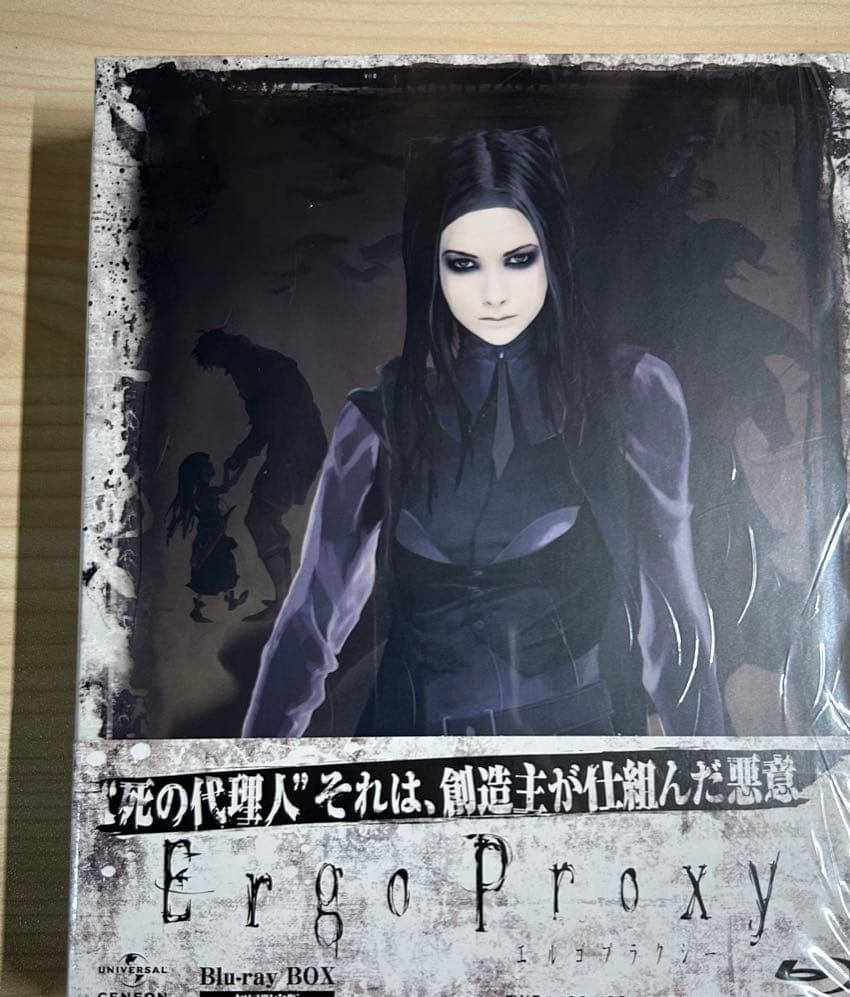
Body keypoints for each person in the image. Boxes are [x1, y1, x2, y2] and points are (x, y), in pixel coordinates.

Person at [243, 126, 725, 738]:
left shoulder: (631, 393)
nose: (494, 293)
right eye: (463, 264)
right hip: (413, 760)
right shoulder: (376, 422)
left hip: (577, 758)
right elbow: (307, 631)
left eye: (519, 259)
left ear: (553, 251)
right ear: (433, 267)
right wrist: (245, 776)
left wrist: (714, 776)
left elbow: (675, 624)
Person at [193, 330, 328, 621]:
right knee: (268, 519)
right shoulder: (257, 363)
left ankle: (283, 601)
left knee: (260, 518)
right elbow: (267, 422)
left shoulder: (255, 366)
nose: (224, 371)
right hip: (298, 446)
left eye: (220, 363)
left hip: (296, 448)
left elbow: (268, 422)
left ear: (223, 350)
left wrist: (242, 453)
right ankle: (286, 599)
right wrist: (242, 455)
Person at [166, 452, 248, 621]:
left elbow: (225, 488)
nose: (210, 468)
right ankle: (205, 607)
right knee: (215, 567)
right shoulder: (204, 492)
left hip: (213, 536)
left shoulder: (202, 492)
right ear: (200, 472)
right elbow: (225, 488)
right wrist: (232, 469)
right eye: (206, 465)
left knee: (217, 567)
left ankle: (225, 600)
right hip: (211, 537)